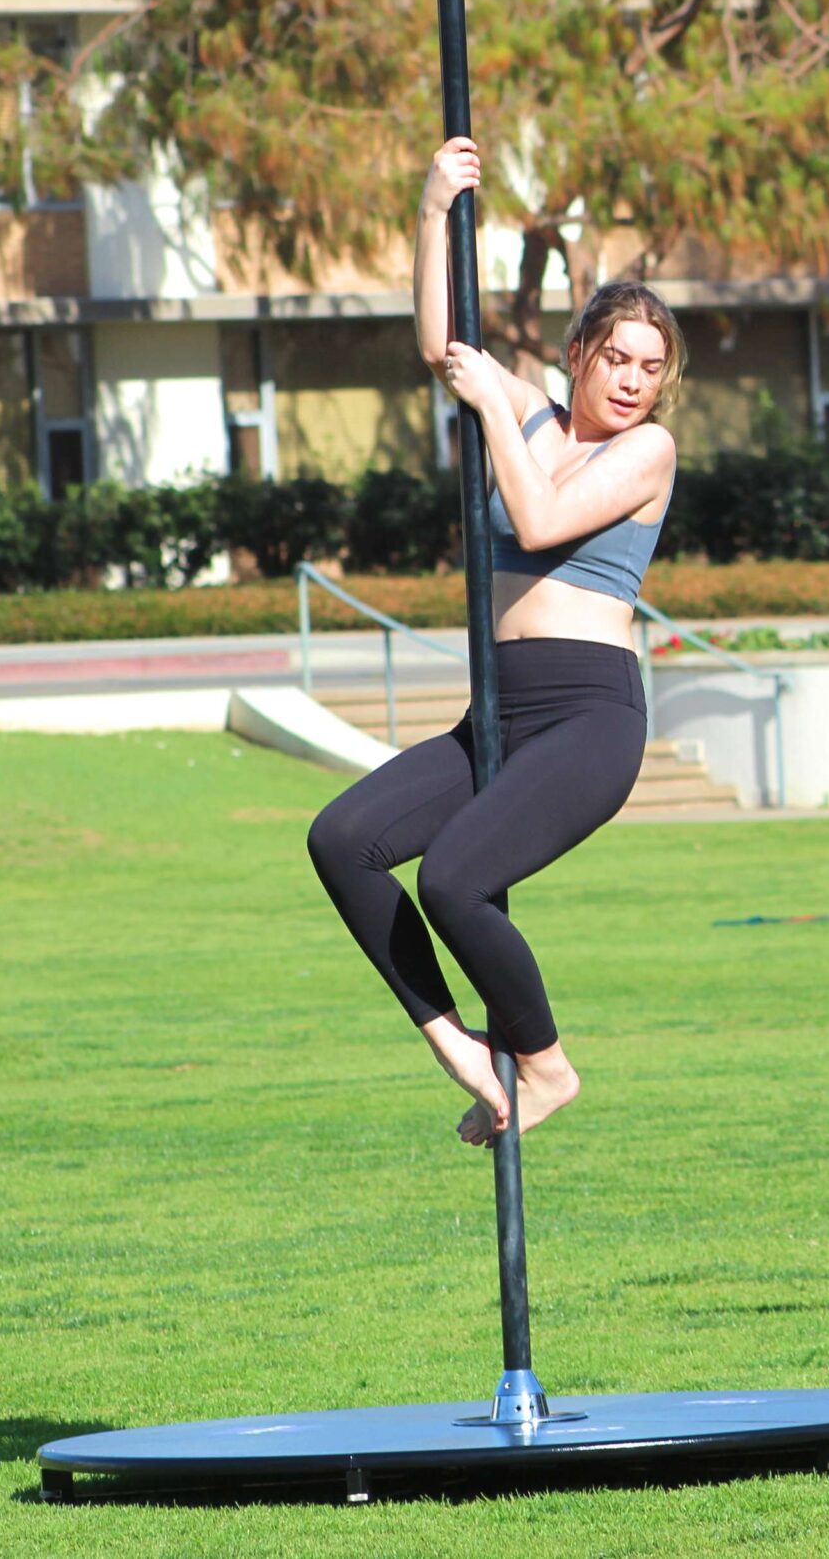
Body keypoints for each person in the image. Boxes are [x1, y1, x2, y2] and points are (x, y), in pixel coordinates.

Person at [307, 136, 683, 1149]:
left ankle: (546, 1063)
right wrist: (432, 210)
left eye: (652, 367)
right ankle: (463, 1044)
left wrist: (492, 414)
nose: (634, 381)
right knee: (342, 842)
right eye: (617, 358)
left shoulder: (649, 450)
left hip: (587, 717)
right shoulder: (534, 411)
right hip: (498, 711)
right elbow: (443, 348)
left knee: (455, 878)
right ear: (578, 355)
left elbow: (540, 523)